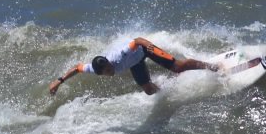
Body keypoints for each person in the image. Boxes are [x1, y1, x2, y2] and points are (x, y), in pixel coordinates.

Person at [49, 37, 219, 96]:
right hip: (135, 61)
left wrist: (152, 48)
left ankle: (212, 66)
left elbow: (138, 40)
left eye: (110, 68)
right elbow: (77, 68)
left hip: (144, 50)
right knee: (149, 90)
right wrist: (60, 80)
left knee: (178, 67)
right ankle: (168, 91)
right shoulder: (94, 69)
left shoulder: (119, 56)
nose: (111, 72)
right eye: (107, 72)